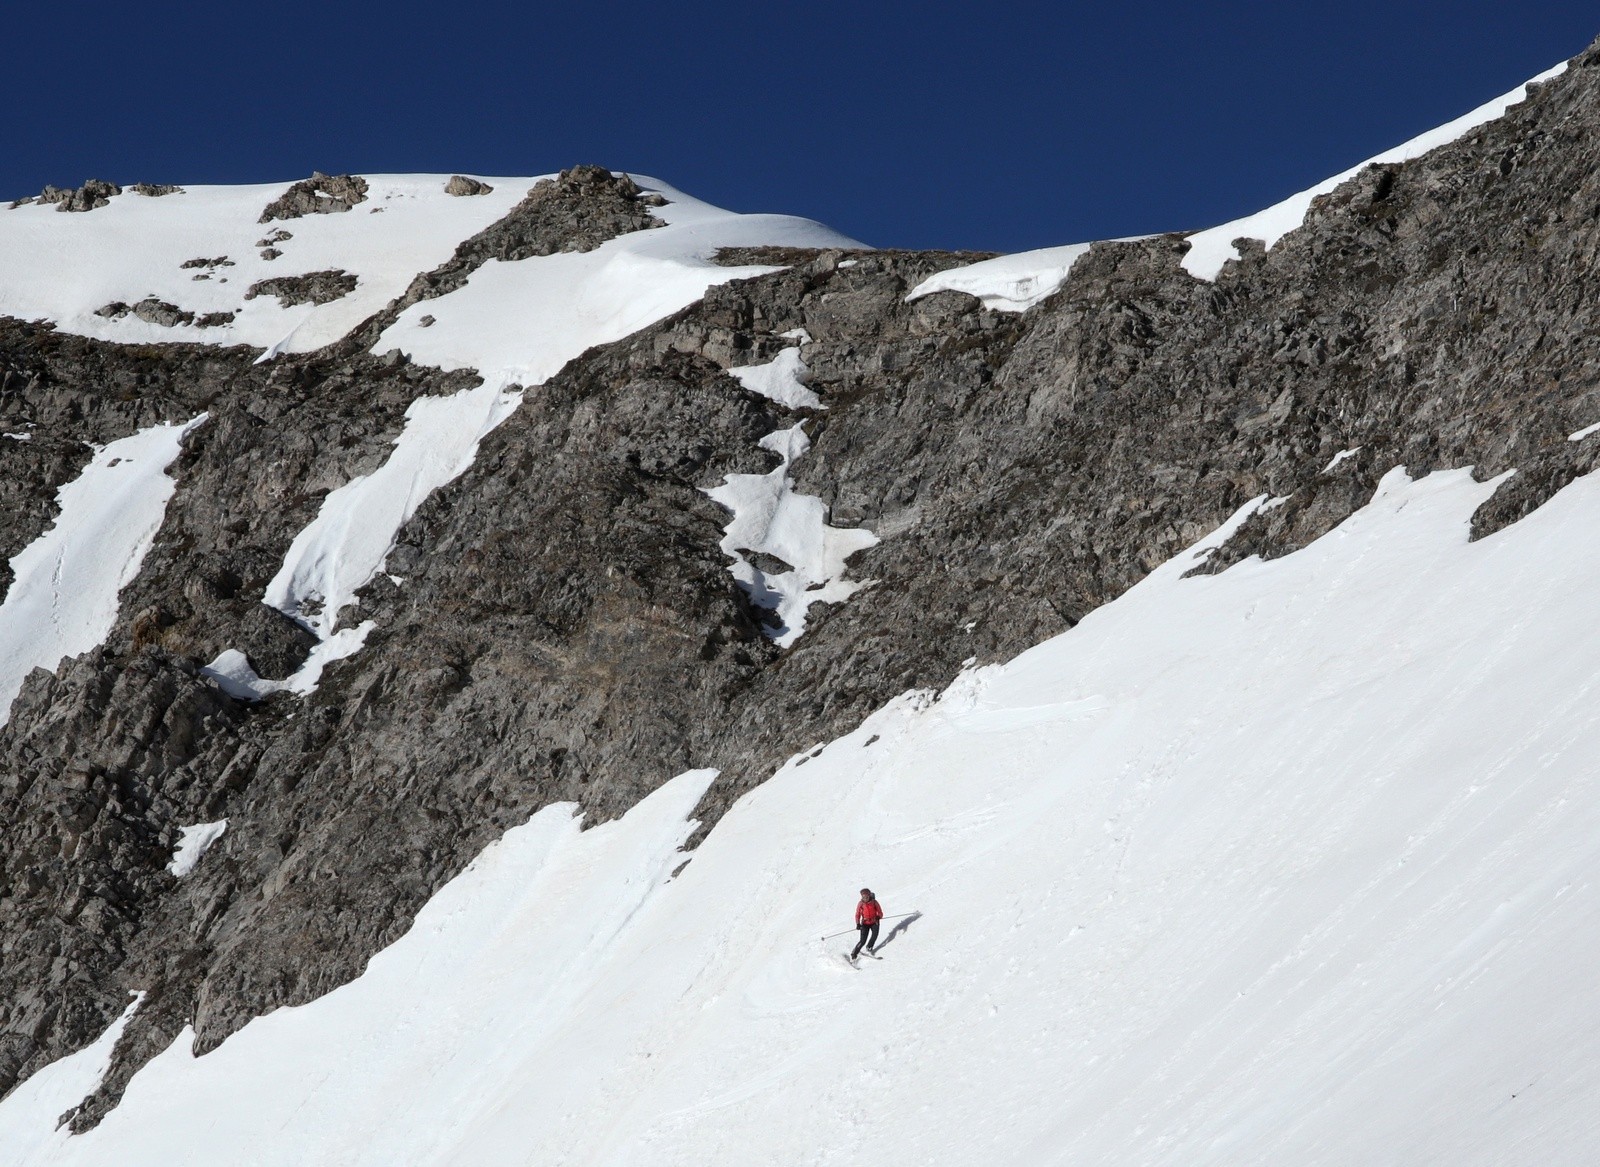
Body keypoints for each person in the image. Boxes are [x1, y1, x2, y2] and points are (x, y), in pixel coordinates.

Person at [852, 888, 883, 959]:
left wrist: (878, 917)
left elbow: (880, 912)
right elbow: (857, 914)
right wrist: (858, 924)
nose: (865, 898)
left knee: (874, 935)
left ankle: (869, 947)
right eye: (863, 897)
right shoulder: (861, 904)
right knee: (863, 941)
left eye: (866, 897)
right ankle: (854, 953)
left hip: (874, 922)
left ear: (869, 896)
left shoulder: (874, 902)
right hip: (865, 923)